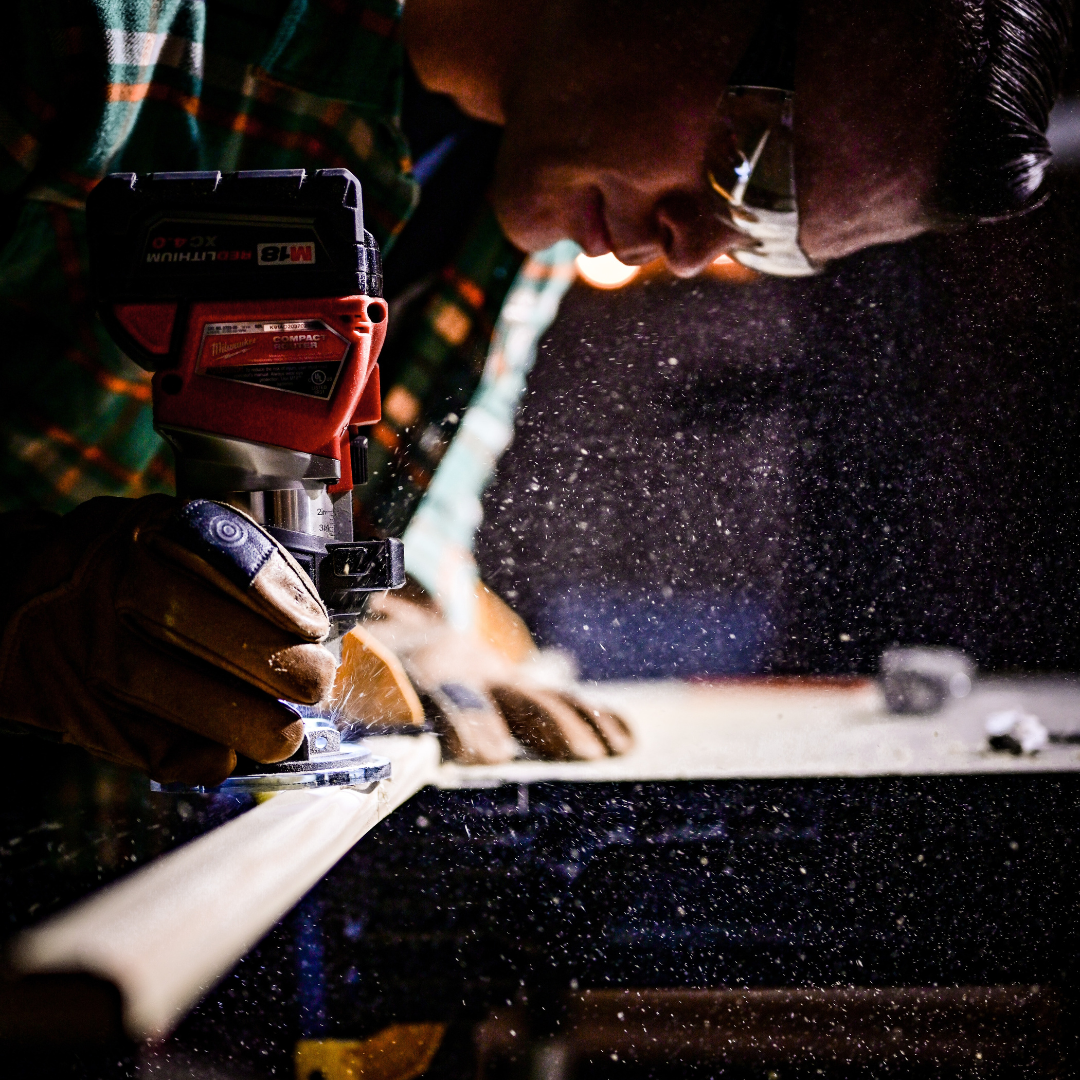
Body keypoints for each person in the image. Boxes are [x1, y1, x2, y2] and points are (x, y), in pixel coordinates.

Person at [0, 0, 1069, 783]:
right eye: (755, 171)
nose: (691, 252)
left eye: (773, 238)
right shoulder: (109, 32)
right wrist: (20, 603)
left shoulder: (539, 198)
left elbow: (416, 529)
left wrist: (416, 634)